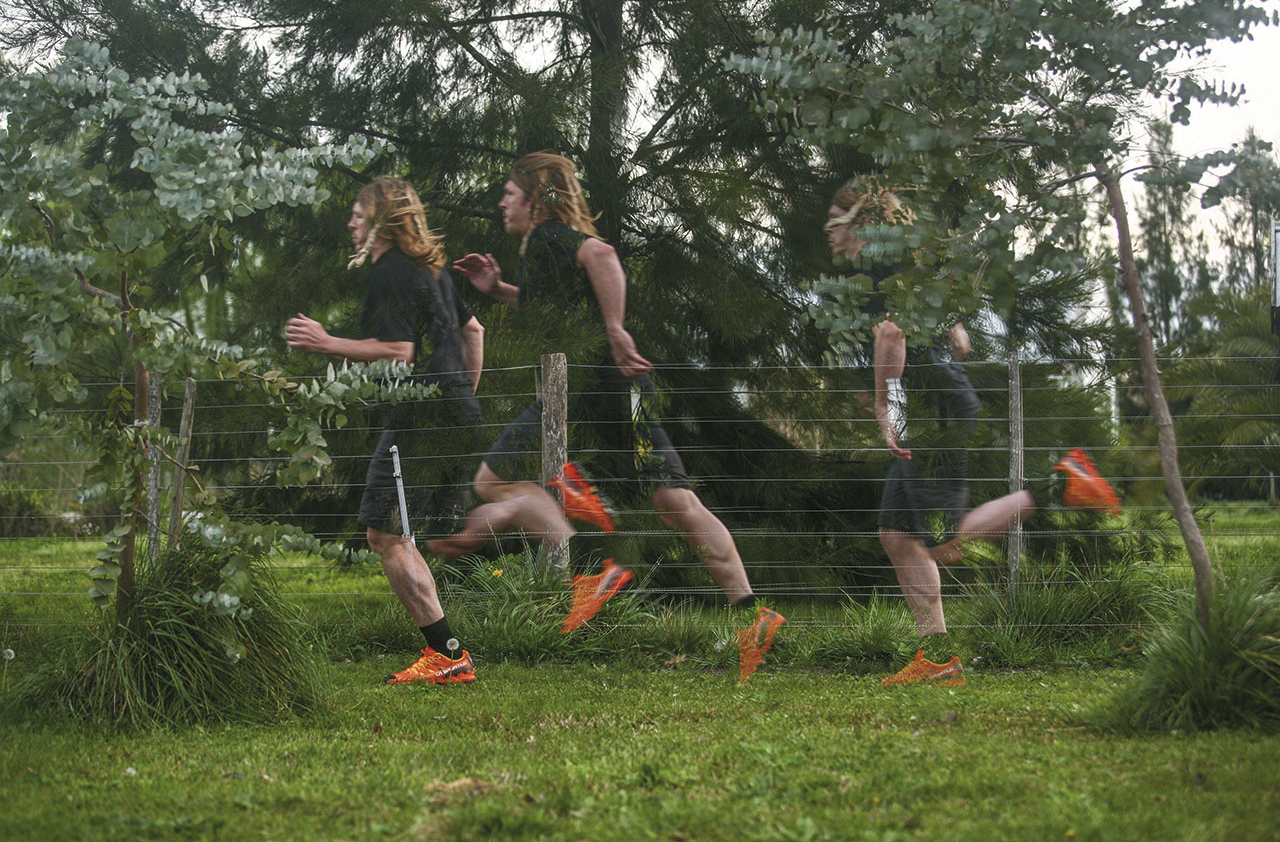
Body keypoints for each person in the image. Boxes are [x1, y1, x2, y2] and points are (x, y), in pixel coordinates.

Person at [430, 151, 785, 682]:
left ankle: (594, 563)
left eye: (509, 192)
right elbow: (565, 303)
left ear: (535, 197)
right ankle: (751, 617)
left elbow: (602, 255)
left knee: (493, 481)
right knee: (673, 502)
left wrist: (617, 329)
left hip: (592, 387)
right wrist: (501, 290)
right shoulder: (541, 249)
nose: (502, 201)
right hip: (600, 389)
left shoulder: (553, 236)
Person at [824, 176, 1122, 687]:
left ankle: (1058, 485)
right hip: (937, 402)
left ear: (864, 223)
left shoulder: (882, 269)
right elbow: (958, 340)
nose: (830, 235)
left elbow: (893, 334)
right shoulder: (910, 267)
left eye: (835, 223)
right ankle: (936, 662)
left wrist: (885, 405)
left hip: (930, 412)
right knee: (897, 535)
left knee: (945, 541)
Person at [286, 176, 484, 686]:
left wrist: (326, 342)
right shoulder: (431, 269)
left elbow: (399, 352)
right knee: (405, 534)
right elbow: (474, 331)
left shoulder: (391, 271)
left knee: (386, 535)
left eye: (357, 214)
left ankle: (448, 656)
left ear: (381, 221)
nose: (350, 223)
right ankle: (449, 652)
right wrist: (462, 394)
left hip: (419, 419)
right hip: (452, 414)